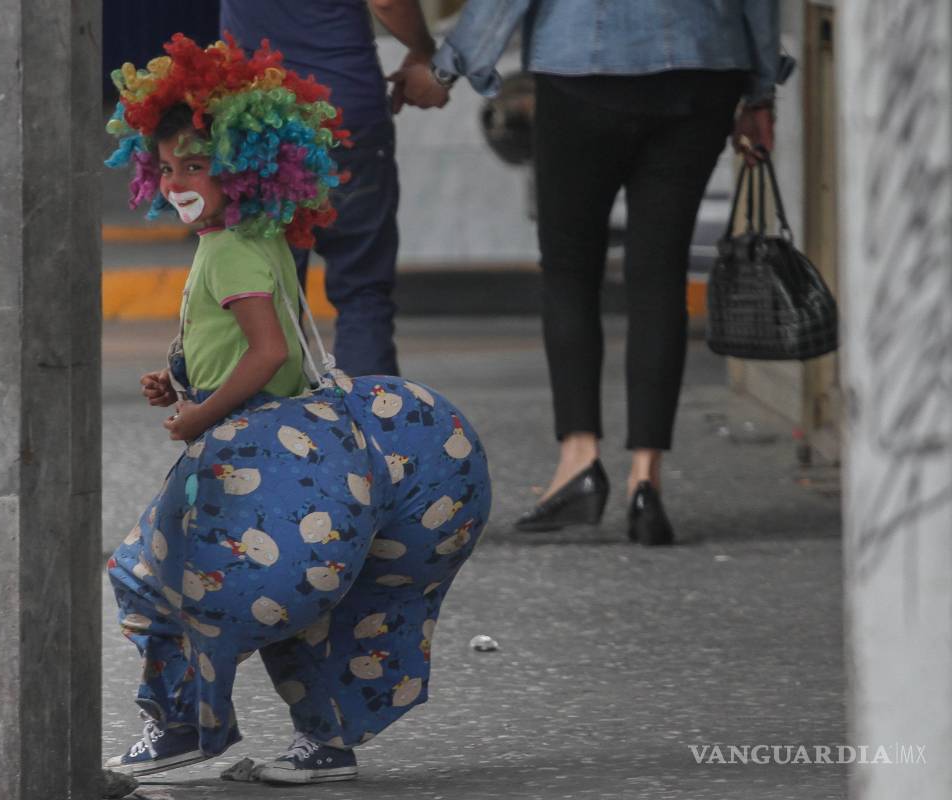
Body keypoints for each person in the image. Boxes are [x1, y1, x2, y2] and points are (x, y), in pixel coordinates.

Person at [101, 35, 491, 785]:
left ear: (245, 167)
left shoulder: (231, 252)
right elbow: (241, 344)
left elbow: (267, 353)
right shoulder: (247, 237)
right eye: (170, 165)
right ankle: (324, 743)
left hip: (262, 451)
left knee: (147, 575)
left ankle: (181, 724)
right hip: (301, 443)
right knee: (305, 607)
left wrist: (198, 415)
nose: (179, 181)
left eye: (198, 165)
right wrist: (178, 382)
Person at [396, 0, 781, 545]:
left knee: (570, 271)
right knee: (660, 273)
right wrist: (761, 89)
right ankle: (646, 480)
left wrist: (445, 69)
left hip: (582, 68)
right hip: (703, 70)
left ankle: (579, 460)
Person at [219, 0, 447, 378]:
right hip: (342, 109)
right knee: (362, 290)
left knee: (271, 301)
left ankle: (281, 431)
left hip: (254, 118)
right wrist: (424, 49)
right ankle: (370, 427)